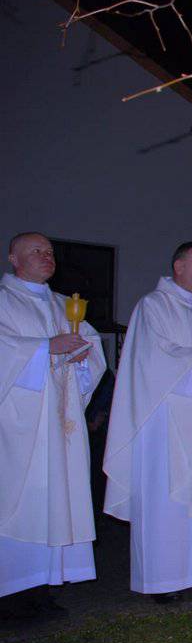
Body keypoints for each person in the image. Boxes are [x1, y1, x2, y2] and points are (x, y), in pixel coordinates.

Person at [103, 242, 192, 602]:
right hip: (168, 420)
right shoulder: (153, 305)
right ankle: (164, 579)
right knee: (167, 495)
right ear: (179, 266)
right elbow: (152, 356)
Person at [0, 232, 105, 619]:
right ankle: (10, 595)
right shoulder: (4, 301)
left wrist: (81, 357)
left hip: (60, 424)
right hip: (19, 427)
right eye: (36, 251)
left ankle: (41, 590)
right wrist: (47, 347)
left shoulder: (65, 305)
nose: (46, 256)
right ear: (13, 258)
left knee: (53, 501)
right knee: (20, 503)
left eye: (49, 252)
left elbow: (92, 353)